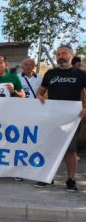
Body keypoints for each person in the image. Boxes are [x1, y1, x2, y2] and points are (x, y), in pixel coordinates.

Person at [35, 45, 86, 191]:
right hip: (52, 117)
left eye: (64, 53)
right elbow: (41, 91)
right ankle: (47, 177)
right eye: (58, 54)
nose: (60, 56)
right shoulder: (51, 73)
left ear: (71, 55)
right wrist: (39, 97)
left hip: (72, 118)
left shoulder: (81, 74)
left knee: (70, 150)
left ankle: (71, 180)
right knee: (50, 147)